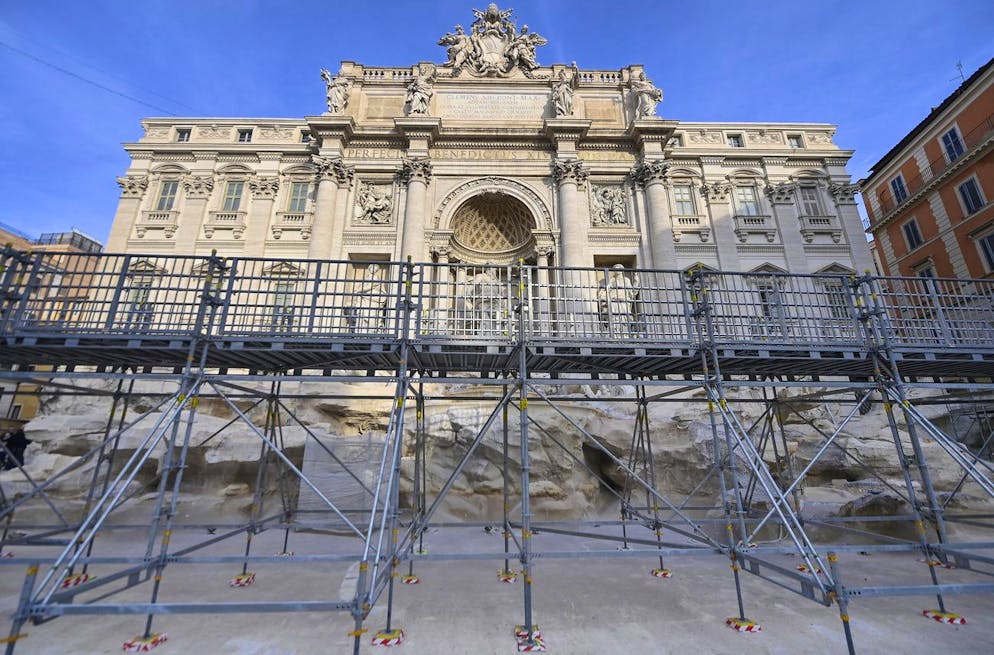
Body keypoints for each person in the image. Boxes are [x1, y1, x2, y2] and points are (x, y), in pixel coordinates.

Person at [597, 264, 639, 337]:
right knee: (613, 317)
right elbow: (606, 290)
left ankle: (625, 334)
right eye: (615, 269)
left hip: (623, 301)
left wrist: (636, 282)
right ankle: (614, 334)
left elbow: (631, 292)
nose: (617, 270)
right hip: (613, 301)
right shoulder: (611, 280)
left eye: (619, 269)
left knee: (624, 317)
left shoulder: (626, 280)